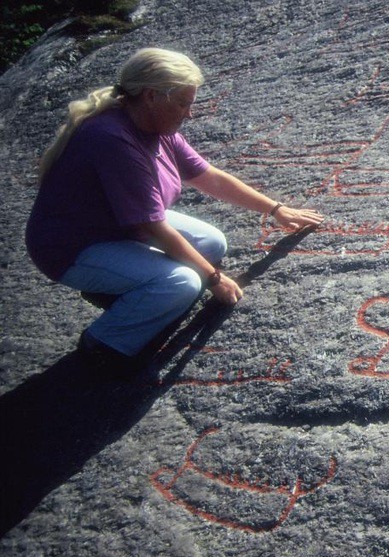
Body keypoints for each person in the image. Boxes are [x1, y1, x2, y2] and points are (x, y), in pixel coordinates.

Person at [25, 47, 323, 372]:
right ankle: (104, 343)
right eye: (183, 103)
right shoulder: (112, 140)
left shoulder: (154, 128)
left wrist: (275, 208)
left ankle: (124, 296)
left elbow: (211, 178)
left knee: (211, 243)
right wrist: (214, 278)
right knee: (182, 282)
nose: (189, 113)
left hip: (118, 227)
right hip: (74, 248)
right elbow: (154, 229)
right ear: (152, 96)